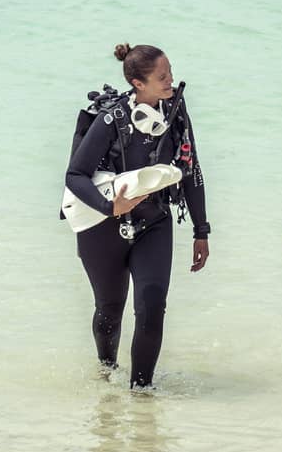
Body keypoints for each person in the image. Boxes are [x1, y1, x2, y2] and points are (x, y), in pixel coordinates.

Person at [65, 43, 210, 389]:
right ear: (137, 83)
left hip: (154, 222)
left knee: (151, 306)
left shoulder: (176, 112)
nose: (170, 81)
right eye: (162, 76)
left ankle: (142, 394)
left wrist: (201, 230)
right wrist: (109, 207)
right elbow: (75, 176)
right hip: (103, 228)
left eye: (171, 72)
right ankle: (106, 375)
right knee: (109, 310)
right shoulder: (111, 120)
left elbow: (191, 170)